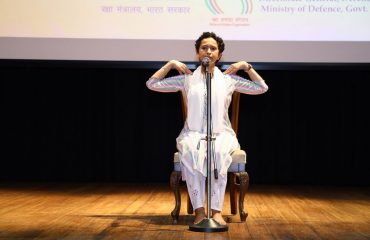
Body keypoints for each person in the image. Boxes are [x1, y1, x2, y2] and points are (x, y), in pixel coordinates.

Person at [146, 32, 268, 225]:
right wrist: (170, 64)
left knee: (217, 153)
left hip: (221, 134)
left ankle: (216, 210)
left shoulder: (229, 80)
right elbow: (152, 84)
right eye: (204, 48)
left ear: (219, 55)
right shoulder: (186, 79)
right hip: (192, 134)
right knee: (192, 153)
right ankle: (200, 211)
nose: (208, 51)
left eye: (212, 48)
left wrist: (246, 66)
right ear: (197, 53)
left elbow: (262, 88)